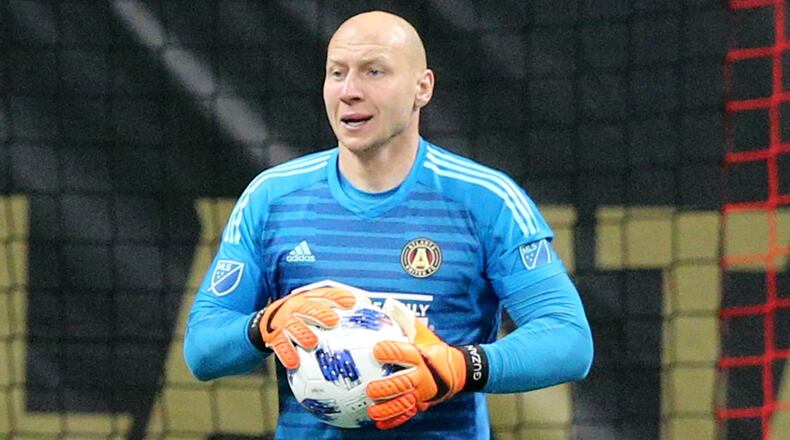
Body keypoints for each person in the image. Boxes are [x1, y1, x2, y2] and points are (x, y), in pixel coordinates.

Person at [184, 10, 593, 439]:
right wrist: (265, 324)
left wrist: (460, 367)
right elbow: (203, 348)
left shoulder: (486, 200)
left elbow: (568, 340)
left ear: (423, 87)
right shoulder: (272, 198)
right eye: (337, 73)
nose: (350, 91)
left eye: (374, 71)